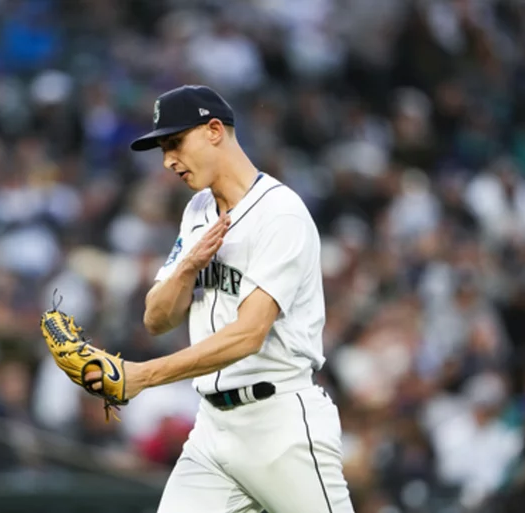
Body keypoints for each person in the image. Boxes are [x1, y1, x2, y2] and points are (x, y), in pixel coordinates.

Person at [92, 84, 355, 512]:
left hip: (279, 424)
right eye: (162, 149)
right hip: (212, 430)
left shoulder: (280, 213)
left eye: (175, 143)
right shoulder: (197, 211)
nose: (168, 161)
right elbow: (156, 319)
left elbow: (247, 335)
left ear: (214, 129)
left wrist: (142, 375)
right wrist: (188, 267)